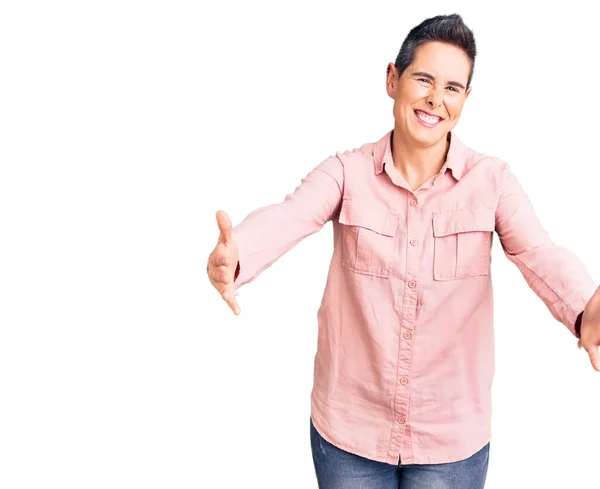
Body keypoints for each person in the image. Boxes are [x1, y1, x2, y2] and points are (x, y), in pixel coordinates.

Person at [206, 13, 600, 489]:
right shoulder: (347, 172)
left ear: (466, 100)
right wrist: (238, 255)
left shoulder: (491, 181)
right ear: (393, 80)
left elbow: (540, 253)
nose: (436, 98)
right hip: (349, 434)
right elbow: (290, 216)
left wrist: (584, 308)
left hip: (450, 441)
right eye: (424, 79)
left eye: (453, 87)